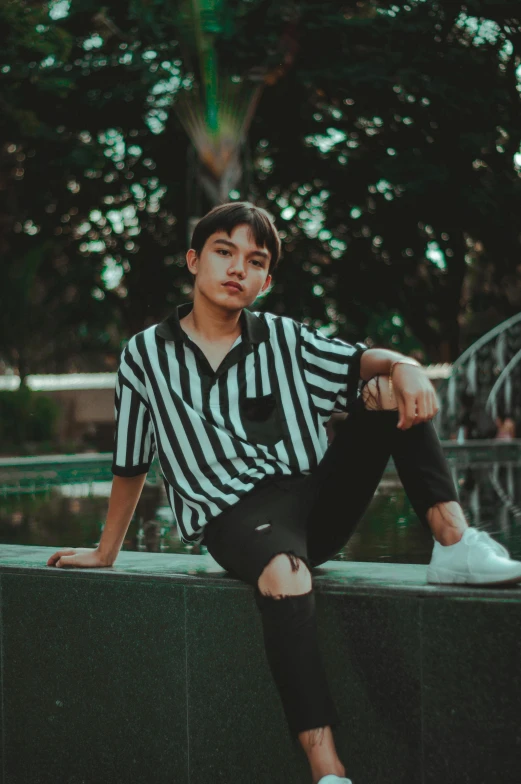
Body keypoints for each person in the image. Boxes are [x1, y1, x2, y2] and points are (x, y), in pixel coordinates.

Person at [47, 202, 521, 784]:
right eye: (224, 252)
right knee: (285, 571)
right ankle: (329, 772)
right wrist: (106, 550)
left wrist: (407, 365)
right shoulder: (146, 355)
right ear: (194, 260)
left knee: (390, 389)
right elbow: (131, 462)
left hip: (313, 501)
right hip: (233, 515)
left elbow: (357, 361)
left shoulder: (284, 339)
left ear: (266, 280)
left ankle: (454, 543)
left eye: (254, 260)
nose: (237, 269)